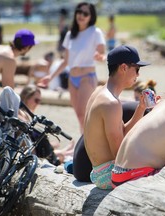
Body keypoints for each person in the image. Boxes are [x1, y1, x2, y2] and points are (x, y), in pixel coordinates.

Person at [72, 89, 165, 182]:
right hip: (88, 170)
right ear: (158, 99)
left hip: (82, 164)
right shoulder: (149, 115)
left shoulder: (142, 108)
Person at [82, 45, 150, 189]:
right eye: (137, 69)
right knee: (159, 167)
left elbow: (121, 133)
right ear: (124, 68)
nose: (138, 75)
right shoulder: (111, 103)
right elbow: (119, 155)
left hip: (99, 172)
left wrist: (141, 108)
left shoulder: (100, 92)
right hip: (109, 175)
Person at [38, 2, 106, 133]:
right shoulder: (70, 34)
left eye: (85, 13)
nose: (81, 15)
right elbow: (66, 61)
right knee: (79, 116)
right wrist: (50, 77)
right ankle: (84, 143)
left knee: (83, 115)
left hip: (87, 77)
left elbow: (102, 54)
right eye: (79, 12)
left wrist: (100, 57)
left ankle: (88, 144)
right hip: (72, 79)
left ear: (91, 17)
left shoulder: (95, 32)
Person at [19, 85, 74, 165]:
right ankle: (67, 152)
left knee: (61, 153)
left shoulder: (26, 115)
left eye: (39, 101)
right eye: (36, 100)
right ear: (26, 97)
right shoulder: (21, 114)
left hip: (37, 150)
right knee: (61, 155)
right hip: (34, 153)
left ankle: (67, 152)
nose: (37, 104)